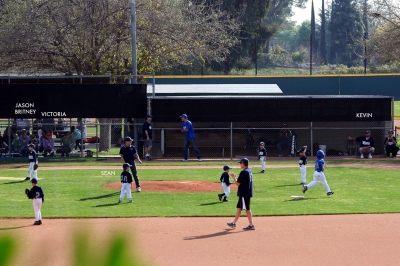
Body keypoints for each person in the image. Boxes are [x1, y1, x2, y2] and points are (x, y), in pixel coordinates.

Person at [227, 158, 255, 231]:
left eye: (240, 163)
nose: (239, 164)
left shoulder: (244, 172)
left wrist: (234, 177)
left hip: (244, 193)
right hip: (246, 192)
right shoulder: (249, 171)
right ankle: (233, 223)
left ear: (243, 163)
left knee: (247, 209)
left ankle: (251, 224)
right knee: (239, 208)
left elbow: (237, 183)